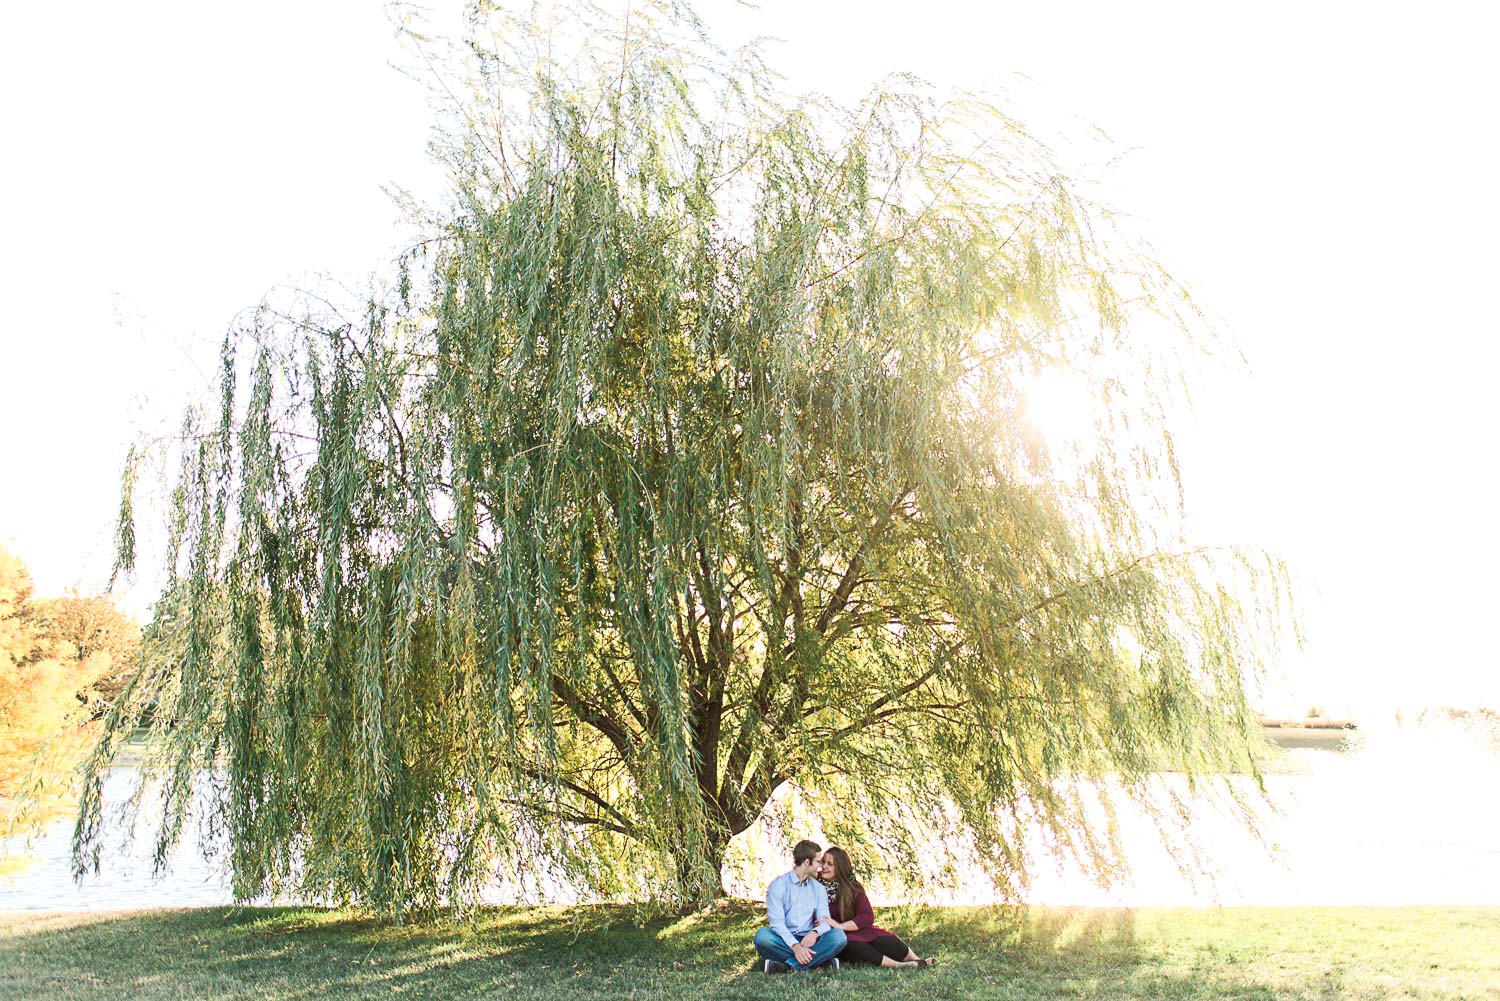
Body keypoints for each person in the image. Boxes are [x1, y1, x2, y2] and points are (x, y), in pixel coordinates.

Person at [816, 846, 935, 969]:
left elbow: (867, 916)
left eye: (830, 864)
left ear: (840, 867)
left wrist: (841, 925)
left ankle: (917, 960)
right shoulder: (815, 886)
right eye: (823, 862)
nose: (824, 867)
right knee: (855, 946)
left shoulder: (853, 888)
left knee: (884, 940)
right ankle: (899, 965)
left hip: (856, 929)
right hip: (837, 936)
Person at [753, 839, 848, 973]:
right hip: (784, 939)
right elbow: (777, 924)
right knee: (762, 937)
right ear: (807, 862)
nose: (820, 866)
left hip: (809, 940)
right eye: (818, 862)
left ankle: (787, 966)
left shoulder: (818, 888)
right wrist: (796, 946)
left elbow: (825, 922)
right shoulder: (778, 886)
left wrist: (814, 933)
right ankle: (819, 962)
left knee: (839, 937)